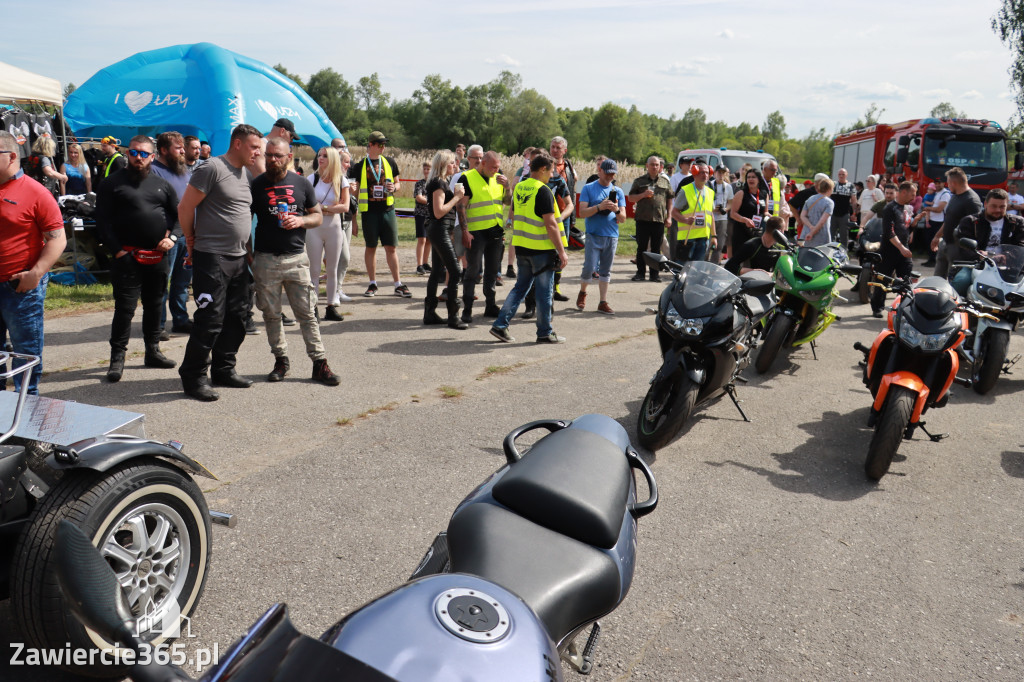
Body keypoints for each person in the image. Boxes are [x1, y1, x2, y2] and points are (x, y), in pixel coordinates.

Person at [176, 123, 263, 402]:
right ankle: (193, 376)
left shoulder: (245, 173)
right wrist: (190, 240)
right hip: (211, 256)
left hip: (238, 257)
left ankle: (224, 368)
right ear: (237, 144)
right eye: (254, 147)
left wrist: (248, 250)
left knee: (237, 317)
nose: (257, 153)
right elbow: (185, 207)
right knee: (210, 319)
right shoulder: (211, 168)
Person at [250, 137, 339, 386]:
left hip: (296, 258)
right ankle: (281, 361)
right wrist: (249, 253)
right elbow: (243, 219)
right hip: (265, 259)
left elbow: (318, 216)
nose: (272, 160)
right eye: (268, 155)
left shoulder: (301, 183)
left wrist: (300, 221)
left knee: (307, 313)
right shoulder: (256, 185)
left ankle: (320, 364)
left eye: (277, 156)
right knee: (271, 314)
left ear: (289, 156)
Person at [95, 134, 180, 382]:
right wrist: (117, 251)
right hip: (126, 257)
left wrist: (172, 239)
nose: (138, 158)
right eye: (134, 152)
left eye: (144, 154)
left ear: (152, 157)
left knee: (155, 305)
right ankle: (117, 358)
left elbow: (179, 218)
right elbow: (101, 222)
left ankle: (152, 351)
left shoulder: (162, 185)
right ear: (127, 153)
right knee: (125, 309)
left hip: (157, 257)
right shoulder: (110, 183)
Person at [0, 131, 66, 394]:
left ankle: (27, 419)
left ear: (11, 156)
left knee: (26, 355)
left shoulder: (35, 192)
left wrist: (36, 274)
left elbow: (58, 239)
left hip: (20, 288)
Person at [489, 153, 569, 343]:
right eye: (550, 172)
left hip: (523, 247)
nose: (551, 176)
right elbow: (551, 224)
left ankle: (500, 325)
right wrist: (561, 251)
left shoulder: (520, 187)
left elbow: (515, 215)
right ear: (542, 169)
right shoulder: (543, 190)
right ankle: (544, 332)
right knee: (544, 293)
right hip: (541, 250)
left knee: (520, 288)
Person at [349, 131, 409, 297]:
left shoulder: (389, 162)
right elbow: (353, 194)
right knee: (371, 247)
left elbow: (398, 184)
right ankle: (372, 284)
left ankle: (398, 284)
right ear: (371, 145)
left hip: (388, 211)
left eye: (384, 144)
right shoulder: (360, 165)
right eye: (380, 144)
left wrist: (394, 188)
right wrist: (353, 218)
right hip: (369, 213)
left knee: (391, 247)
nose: (383, 147)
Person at [150, 131, 194, 336]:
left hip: (187, 234)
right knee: (161, 282)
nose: (183, 151)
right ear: (164, 150)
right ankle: (157, 325)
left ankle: (180, 319)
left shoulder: (185, 171)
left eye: (183, 147)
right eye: (178, 148)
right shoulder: (153, 172)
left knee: (182, 281)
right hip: (166, 237)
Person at [458, 151, 510, 322]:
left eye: (498, 167)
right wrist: (465, 231)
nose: (496, 170)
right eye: (493, 167)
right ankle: (467, 308)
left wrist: (508, 187)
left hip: (495, 231)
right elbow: (461, 207)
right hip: (476, 232)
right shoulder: (467, 178)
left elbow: (508, 202)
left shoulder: (499, 178)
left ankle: (490, 305)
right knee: (472, 271)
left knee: (492, 270)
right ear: (483, 164)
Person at [423, 150, 467, 329]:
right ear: (443, 165)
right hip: (439, 228)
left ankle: (430, 313)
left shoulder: (441, 181)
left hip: (441, 229)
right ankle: (453, 316)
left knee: (436, 271)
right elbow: (438, 211)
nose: (455, 165)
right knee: (455, 270)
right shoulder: (439, 183)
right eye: (451, 163)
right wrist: (457, 197)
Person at [576, 159, 626, 314]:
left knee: (606, 270)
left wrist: (616, 209)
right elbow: (582, 212)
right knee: (589, 267)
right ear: (600, 171)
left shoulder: (618, 191)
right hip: (593, 234)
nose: (610, 176)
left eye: (613, 173)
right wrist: (599, 207)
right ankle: (583, 292)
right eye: (607, 173)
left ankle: (602, 302)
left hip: (611, 235)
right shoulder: (589, 188)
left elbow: (623, 218)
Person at [308, 146, 350, 321]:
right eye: (320, 155)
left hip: (334, 228)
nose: (321, 158)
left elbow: (345, 206)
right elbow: (306, 205)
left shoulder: (341, 180)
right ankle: (313, 307)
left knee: (332, 269)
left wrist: (323, 208)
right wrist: (330, 209)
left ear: (332, 159)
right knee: (314, 269)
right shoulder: (312, 178)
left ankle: (331, 306)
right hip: (314, 228)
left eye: (325, 156)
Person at [871, 181, 918, 318]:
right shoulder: (890, 208)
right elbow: (889, 232)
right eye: (912, 194)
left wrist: (915, 223)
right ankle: (877, 308)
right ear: (904, 192)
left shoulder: (907, 208)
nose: (914, 197)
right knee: (882, 281)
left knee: (906, 280)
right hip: (888, 251)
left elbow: (906, 227)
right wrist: (901, 247)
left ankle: (904, 308)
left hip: (903, 251)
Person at [930, 167, 983, 278]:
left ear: (954, 183)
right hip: (945, 243)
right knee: (937, 279)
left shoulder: (972, 201)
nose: (947, 185)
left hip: (958, 249)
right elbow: (949, 219)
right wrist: (937, 236)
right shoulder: (955, 196)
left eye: (948, 183)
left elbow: (977, 229)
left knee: (953, 282)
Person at [628, 156, 673, 279]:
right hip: (642, 219)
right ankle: (640, 273)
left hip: (658, 219)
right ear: (647, 166)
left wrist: (669, 216)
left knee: (656, 248)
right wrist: (643, 194)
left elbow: (670, 199)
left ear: (660, 167)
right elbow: (631, 197)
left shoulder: (665, 181)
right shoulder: (639, 181)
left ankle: (654, 274)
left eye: (657, 165)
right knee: (642, 247)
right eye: (652, 164)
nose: (654, 167)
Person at [548, 136, 578, 302]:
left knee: (561, 253)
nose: (555, 150)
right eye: (553, 147)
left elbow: (571, 192)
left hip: (564, 214)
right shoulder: (545, 165)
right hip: (546, 215)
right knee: (546, 251)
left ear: (564, 150)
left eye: (558, 148)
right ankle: (542, 288)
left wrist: (571, 217)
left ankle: (555, 288)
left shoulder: (568, 167)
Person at [955, 188, 1024, 256]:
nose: (997, 210)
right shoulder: (970, 221)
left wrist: (1005, 256)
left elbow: (1020, 246)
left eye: (1002, 207)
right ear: (985, 204)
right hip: (977, 263)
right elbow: (964, 248)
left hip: (1007, 265)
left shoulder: (1016, 223)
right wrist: (981, 255)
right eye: (993, 206)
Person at [671, 161, 716, 264]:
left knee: (696, 269)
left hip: (703, 238)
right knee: (681, 269)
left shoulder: (710, 192)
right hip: (687, 238)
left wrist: (714, 236)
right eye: (701, 172)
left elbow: (711, 215)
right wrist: (685, 220)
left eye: (706, 172)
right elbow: (674, 212)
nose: (704, 175)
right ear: (694, 174)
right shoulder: (686, 191)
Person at [729, 168, 768, 260]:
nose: (751, 179)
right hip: (742, 231)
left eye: (753, 177)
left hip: (757, 232)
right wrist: (744, 220)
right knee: (740, 260)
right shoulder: (741, 193)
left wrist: (772, 218)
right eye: (748, 177)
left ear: (759, 179)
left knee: (755, 259)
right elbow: (733, 213)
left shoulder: (764, 194)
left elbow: (765, 212)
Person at [917, 177, 950, 267]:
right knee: (928, 240)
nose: (937, 184)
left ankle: (934, 261)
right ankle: (931, 259)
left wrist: (927, 208)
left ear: (944, 183)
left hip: (939, 221)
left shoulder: (945, 194)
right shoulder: (936, 193)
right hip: (931, 220)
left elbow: (939, 209)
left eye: (939, 183)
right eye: (936, 183)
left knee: (935, 241)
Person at [799, 177, 835, 248]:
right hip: (821, 235)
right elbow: (822, 221)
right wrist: (812, 233)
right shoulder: (829, 202)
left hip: (806, 233)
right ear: (829, 189)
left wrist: (810, 226)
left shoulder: (810, 199)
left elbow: (802, 216)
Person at [709, 164, 734, 264]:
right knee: (708, 244)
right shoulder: (709, 184)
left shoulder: (728, 187)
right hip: (711, 217)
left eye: (723, 173)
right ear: (715, 173)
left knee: (719, 245)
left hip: (722, 218)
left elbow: (730, 203)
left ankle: (713, 266)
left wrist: (725, 209)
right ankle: (703, 265)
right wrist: (712, 209)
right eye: (719, 172)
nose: (721, 175)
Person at [413, 161, 432, 275]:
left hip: (431, 215)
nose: (426, 171)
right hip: (421, 214)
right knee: (422, 239)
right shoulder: (419, 184)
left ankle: (425, 263)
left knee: (429, 240)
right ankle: (419, 265)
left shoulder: (433, 183)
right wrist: (431, 201)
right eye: (425, 169)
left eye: (428, 169)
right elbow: (419, 197)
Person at [831, 168, 858, 249]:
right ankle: (830, 250)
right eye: (840, 174)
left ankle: (844, 251)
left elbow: (854, 200)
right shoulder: (833, 184)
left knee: (844, 234)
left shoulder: (851, 186)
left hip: (844, 213)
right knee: (831, 233)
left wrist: (854, 213)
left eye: (843, 174)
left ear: (846, 175)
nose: (841, 176)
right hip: (833, 213)